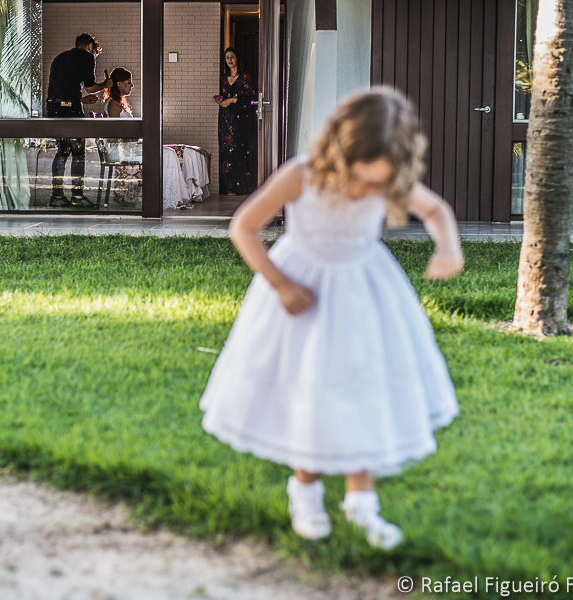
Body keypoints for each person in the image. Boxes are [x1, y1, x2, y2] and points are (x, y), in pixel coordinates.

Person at [199, 88, 464, 549]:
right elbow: (243, 227)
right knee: (311, 385)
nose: (364, 191)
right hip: (303, 292)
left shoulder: (388, 174)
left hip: (362, 293)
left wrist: (449, 249)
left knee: (364, 386)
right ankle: (306, 492)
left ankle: (362, 504)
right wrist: (280, 284)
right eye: (359, 179)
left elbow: (435, 210)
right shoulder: (300, 175)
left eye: (376, 185)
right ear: (340, 151)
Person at [46, 33, 111, 207]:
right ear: (90, 46)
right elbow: (90, 87)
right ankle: (77, 197)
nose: (94, 55)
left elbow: (61, 90)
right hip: (71, 111)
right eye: (95, 51)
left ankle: (57, 196)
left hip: (54, 109)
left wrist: (80, 100)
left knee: (62, 152)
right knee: (78, 153)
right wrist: (106, 84)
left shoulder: (59, 58)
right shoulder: (87, 56)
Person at [215, 47, 255, 195]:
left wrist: (232, 100)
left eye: (232, 56)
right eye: (227, 57)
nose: (230, 60)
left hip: (238, 119)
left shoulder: (244, 77)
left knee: (238, 151)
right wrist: (220, 100)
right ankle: (227, 188)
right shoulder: (223, 78)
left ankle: (238, 187)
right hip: (224, 119)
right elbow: (223, 96)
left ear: (237, 58)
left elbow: (251, 99)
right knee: (225, 151)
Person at [101, 67, 143, 205]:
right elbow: (116, 131)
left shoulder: (118, 102)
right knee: (163, 155)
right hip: (120, 150)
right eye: (128, 82)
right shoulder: (113, 104)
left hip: (127, 147)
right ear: (119, 83)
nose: (132, 85)